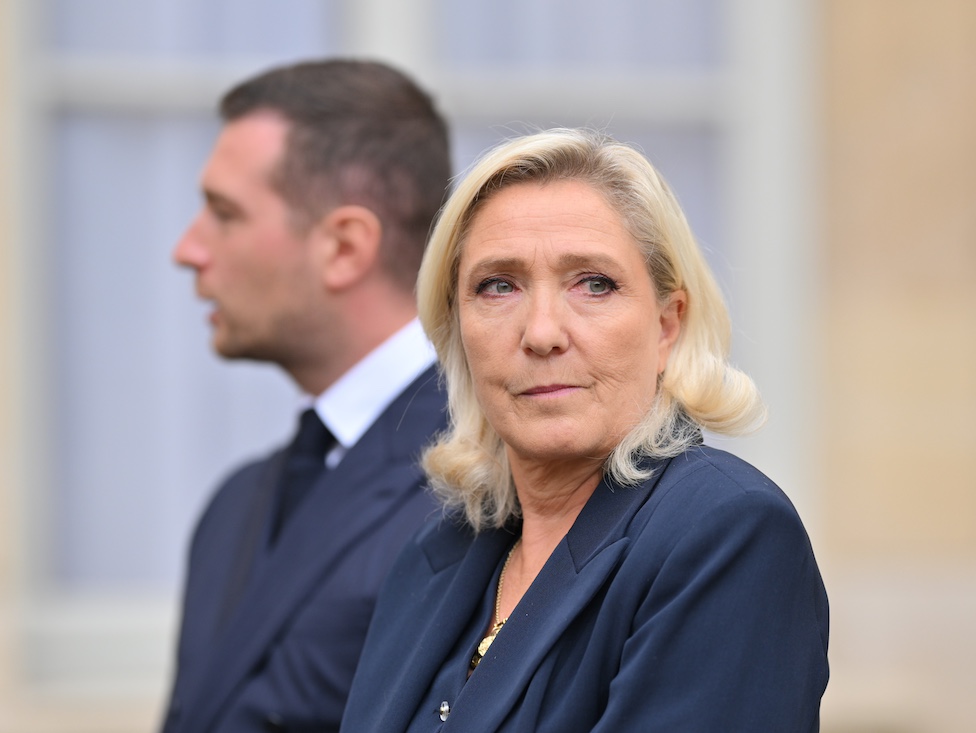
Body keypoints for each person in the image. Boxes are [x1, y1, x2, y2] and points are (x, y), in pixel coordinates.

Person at [340, 128, 830, 732]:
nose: (542, 332)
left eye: (594, 283)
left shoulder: (728, 533)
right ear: (458, 331)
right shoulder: (431, 558)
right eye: (498, 286)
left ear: (667, 326)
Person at [161, 59, 452, 733]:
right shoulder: (237, 505)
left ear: (345, 247)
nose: (187, 249)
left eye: (224, 214)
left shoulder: (482, 487)